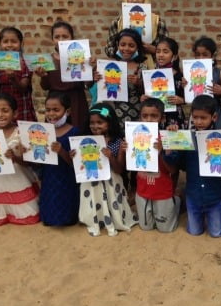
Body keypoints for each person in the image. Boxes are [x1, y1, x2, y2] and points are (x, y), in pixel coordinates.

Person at [75, 103, 137, 236]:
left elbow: (120, 169)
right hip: (92, 181)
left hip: (112, 181)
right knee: (95, 199)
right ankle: (97, 220)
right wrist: (74, 156)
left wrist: (110, 157)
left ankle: (114, 219)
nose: (95, 126)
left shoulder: (118, 142)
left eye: (100, 122)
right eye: (92, 122)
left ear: (110, 123)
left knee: (111, 200)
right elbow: (80, 164)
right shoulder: (85, 141)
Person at [0, 93, 40, 226]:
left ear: (15, 114)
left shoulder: (21, 133)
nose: (0, 115)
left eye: (5, 110)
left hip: (18, 177)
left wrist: (15, 157)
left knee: (27, 215)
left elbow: (28, 162)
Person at [177, 94, 221, 237]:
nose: (198, 121)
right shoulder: (188, 138)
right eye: (196, 117)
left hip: (214, 196)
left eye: (203, 118)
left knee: (217, 233)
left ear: (214, 117)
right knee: (194, 232)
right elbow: (179, 164)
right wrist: (172, 148)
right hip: (193, 196)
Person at [133, 98, 181, 233]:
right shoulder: (133, 135)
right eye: (145, 116)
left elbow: (173, 169)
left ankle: (176, 202)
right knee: (146, 227)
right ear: (140, 117)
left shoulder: (168, 138)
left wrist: (162, 150)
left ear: (162, 118)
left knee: (165, 229)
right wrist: (126, 150)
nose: (148, 120)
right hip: (143, 192)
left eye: (154, 116)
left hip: (162, 192)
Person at [36, 20, 92, 130]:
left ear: (72, 38)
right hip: (55, 102)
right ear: (52, 39)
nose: (61, 40)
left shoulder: (80, 57)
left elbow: (88, 84)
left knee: (77, 131)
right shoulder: (48, 60)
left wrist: (90, 68)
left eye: (65, 36)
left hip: (76, 101)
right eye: (57, 37)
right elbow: (45, 86)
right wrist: (42, 76)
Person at [105, 0, 169, 68]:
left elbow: (167, 51)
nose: (134, 0)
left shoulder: (158, 22)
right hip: (124, 67)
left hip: (151, 67)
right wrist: (124, 49)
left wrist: (154, 50)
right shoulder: (117, 22)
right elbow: (108, 50)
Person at [38, 91, 79, 227]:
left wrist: (61, 151)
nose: (51, 114)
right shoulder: (41, 132)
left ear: (67, 111)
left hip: (66, 176)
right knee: (50, 197)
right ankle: (48, 218)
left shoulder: (74, 132)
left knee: (65, 198)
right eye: (48, 110)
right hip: (49, 175)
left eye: (56, 110)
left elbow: (75, 163)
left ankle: (68, 219)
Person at [99, 28, 147, 136]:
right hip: (112, 110)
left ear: (137, 47)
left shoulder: (142, 67)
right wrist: (97, 78)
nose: (126, 48)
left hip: (135, 113)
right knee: (113, 139)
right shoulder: (108, 65)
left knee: (132, 139)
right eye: (123, 44)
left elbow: (148, 93)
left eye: (131, 45)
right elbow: (101, 91)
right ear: (117, 45)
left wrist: (139, 83)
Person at [141, 37, 186, 129]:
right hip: (154, 118)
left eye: (165, 52)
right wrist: (143, 98)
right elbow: (144, 95)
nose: (160, 55)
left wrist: (182, 100)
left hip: (174, 117)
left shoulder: (180, 76)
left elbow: (189, 97)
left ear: (174, 56)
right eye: (158, 51)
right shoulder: (149, 75)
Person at [190, 36, 221, 129]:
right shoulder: (190, 72)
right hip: (198, 114)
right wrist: (186, 85)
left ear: (212, 55)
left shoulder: (220, 74)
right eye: (197, 54)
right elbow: (188, 96)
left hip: (216, 114)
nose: (201, 58)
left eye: (205, 54)